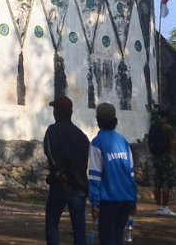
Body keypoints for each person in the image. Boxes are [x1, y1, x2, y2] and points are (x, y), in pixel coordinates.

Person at [43, 95, 90, 245]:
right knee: (79, 226)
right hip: (79, 185)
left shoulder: (53, 131)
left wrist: (58, 173)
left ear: (57, 112)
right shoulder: (81, 135)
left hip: (60, 184)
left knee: (52, 223)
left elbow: (51, 154)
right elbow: (84, 162)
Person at [88, 102, 137, 245]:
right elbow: (131, 173)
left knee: (107, 239)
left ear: (98, 120)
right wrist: (133, 200)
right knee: (117, 238)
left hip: (109, 201)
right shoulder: (123, 142)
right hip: (126, 199)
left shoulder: (97, 143)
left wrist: (94, 202)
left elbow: (95, 175)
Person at [148, 105, 176, 216]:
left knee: (157, 183)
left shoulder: (153, 126)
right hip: (165, 158)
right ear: (168, 114)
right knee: (166, 183)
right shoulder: (168, 128)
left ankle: (159, 206)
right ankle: (165, 207)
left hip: (156, 157)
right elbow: (172, 143)